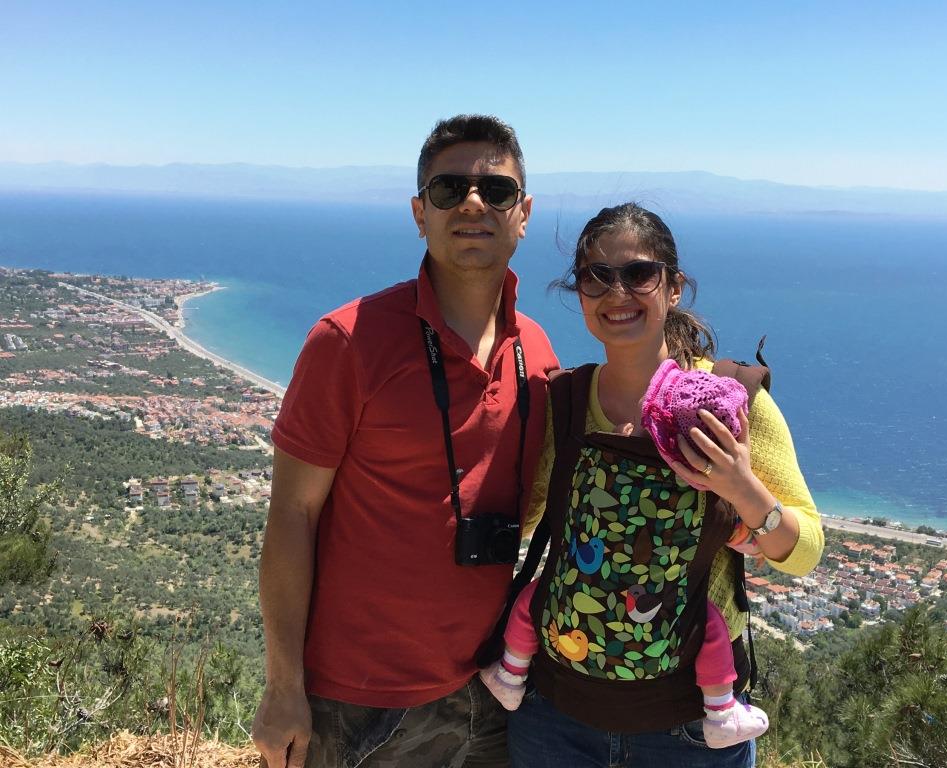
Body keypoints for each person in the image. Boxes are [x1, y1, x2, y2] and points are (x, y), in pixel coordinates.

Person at [252, 115, 559, 768]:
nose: (472, 203)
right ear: (420, 214)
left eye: (496, 191)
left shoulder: (536, 352)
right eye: (449, 189)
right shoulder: (348, 342)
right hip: (357, 702)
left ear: (523, 214)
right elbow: (292, 515)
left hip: (492, 689)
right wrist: (282, 688)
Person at [504, 203, 824, 768]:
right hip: (556, 715)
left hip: (691, 727)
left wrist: (741, 484)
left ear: (673, 288)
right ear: (580, 293)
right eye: (596, 276)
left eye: (638, 273)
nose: (617, 292)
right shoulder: (565, 402)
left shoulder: (730, 403)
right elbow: (523, 518)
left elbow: (804, 553)